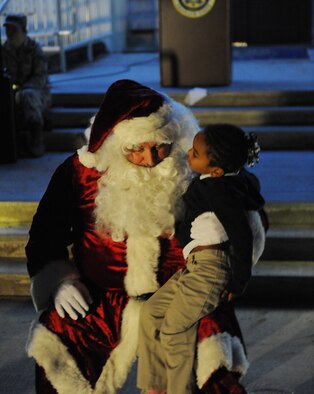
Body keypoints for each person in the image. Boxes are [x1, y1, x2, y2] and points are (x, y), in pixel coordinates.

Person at [25, 80, 265, 394]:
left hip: (181, 288)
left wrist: (225, 261)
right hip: (101, 297)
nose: (150, 158)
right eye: (137, 149)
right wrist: (59, 281)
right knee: (58, 338)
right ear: (113, 144)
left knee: (213, 351)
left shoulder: (197, 165)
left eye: (159, 146)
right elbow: (46, 232)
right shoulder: (79, 173)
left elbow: (250, 218)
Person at [137, 124, 265, 394]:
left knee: (173, 329)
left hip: (210, 269)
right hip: (193, 269)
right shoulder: (213, 182)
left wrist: (238, 281)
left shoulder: (220, 190)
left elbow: (242, 235)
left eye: (195, 153)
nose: (188, 154)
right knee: (151, 313)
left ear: (216, 170)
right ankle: (155, 387)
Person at [2, 13, 51, 157]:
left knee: (28, 96)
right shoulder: (3, 51)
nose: (9, 33)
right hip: (12, 93)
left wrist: (25, 89)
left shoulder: (34, 49)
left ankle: (37, 141)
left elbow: (40, 76)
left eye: (13, 29)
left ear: (23, 30)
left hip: (36, 92)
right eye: (7, 29)